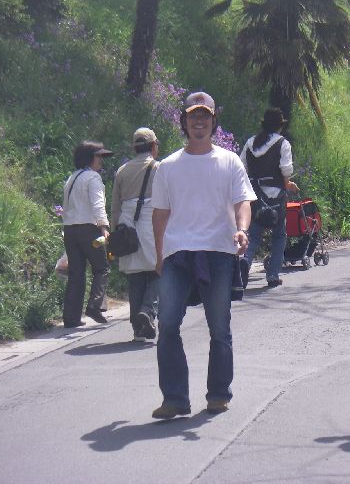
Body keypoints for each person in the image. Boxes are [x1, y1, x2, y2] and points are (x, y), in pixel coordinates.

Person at [150, 91, 256, 419]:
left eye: (205, 117)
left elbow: (243, 201)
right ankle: (175, 399)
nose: (199, 122)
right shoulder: (168, 166)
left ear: (213, 122)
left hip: (218, 252)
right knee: (167, 324)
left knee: (219, 328)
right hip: (178, 253)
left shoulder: (230, 161)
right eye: (193, 116)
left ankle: (218, 394)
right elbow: (160, 214)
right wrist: (159, 255)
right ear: (184, 122)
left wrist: (242, 229)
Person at [239, 108, 300, 288]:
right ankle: (273, 274)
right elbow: (286, 170)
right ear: (280, 126)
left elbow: (241, 167)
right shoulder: (282, 143)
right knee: (279, 235)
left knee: (254, 233)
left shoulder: (251, 143)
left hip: (255, 196)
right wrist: (288, 184)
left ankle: (245, 262)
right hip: (276, 197)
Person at [111, 127, 160, 342]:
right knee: (159, 270)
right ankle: (147, 311)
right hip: (151, 222)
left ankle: (138, 328)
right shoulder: (159, 168)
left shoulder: (122, 171)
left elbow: (115, 206)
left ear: (134, 148)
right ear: (154, 146)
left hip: (127, 224)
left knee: (135, 276)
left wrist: (115, 232)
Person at [61, 141, 114, 328]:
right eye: (98, 156)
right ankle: (94, 305)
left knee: (76, 273)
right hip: (88, 230)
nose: (101, 160)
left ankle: (71, 317)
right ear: (89, 158)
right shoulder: (93, 178)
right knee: (102, 268)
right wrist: (104, 226)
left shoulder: (71, 178)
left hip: (70, 230)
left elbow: (66, 207)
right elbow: (98, 203)